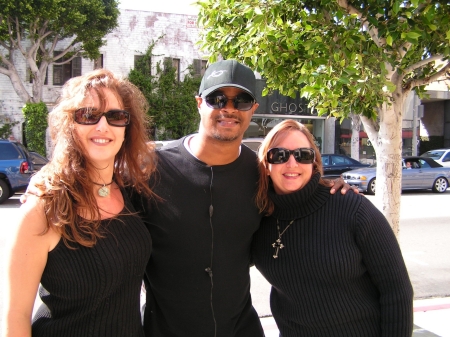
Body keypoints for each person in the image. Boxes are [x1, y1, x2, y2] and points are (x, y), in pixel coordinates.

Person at [139, 60, 357, 337]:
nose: (229, 109)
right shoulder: (151, 170)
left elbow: (299, 195)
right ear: (199, 103)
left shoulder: (262, 175)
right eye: (217, 99)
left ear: (253, 109)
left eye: (241, 101)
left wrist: (331, 188)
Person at [2, 69, 157, 337]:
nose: (102, 126)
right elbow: (14, 317)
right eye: (88, 115)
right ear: (70, 125)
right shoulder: (43, 207)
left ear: (126, 129)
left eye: (116, 116)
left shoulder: (130, 191)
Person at [252, 119, 414, 337]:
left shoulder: (350, 207)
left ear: (314, 162)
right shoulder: (258, 217)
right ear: (266, 164)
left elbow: (397, 291)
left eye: (303, 155)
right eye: (279, 155)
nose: (292, 163)